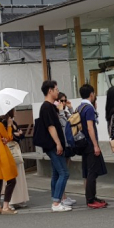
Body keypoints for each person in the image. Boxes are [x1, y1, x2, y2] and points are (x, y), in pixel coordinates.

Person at [38, 80, 71, 212]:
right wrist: (58, 143)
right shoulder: (46, 107)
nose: (58, 91)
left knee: (57, 173)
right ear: (50, 91)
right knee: (64, 172)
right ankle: (57, 202)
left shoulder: (51, 106)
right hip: (53, 145)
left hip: (54, 145)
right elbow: (51, 127)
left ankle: (55, 200)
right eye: (56, 89)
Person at [78, 84, 108, 209]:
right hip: (90, 144)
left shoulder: (80, 107)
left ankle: (92, 197)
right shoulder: (89, 109)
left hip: (83, 143)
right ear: (92, 94)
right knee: (92, 172)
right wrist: (96, 145)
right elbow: (90, 127)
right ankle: (90, 199)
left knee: (88, 171)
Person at [5, 110, 29, 210]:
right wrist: (16, 134)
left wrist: (19, 134)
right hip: (9, 150)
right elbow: (7, 136)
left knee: (19, 175)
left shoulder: (13, 122)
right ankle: (10, 201)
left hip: (16, 149)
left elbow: (21, 135)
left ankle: (18, 200)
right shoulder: (4, 122)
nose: (15, 111)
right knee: (11, 176)